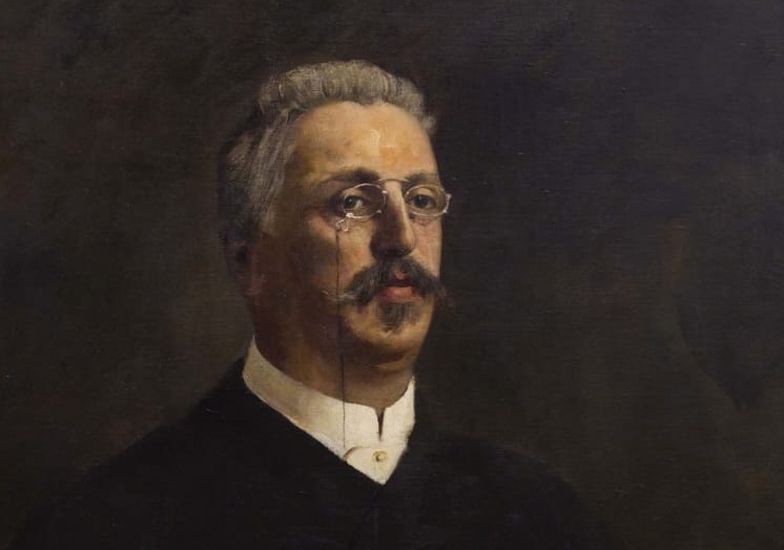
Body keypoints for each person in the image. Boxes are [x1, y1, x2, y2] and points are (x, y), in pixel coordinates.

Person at [12, 60, 609, 549]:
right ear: (249, 261)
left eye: (422, 200)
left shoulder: (541, 513)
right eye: (352, 202)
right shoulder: (112, 522)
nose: (401, 237)